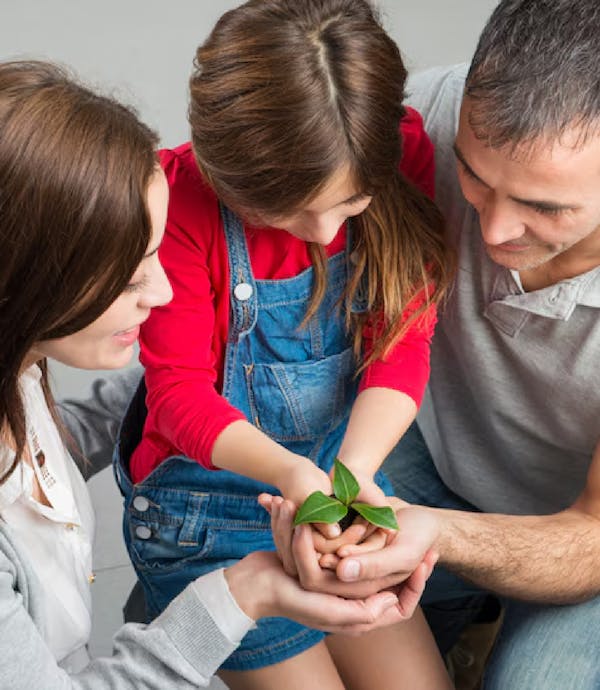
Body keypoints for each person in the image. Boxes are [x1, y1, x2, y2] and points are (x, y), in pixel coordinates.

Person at [0, 59, 436, 690]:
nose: (164, 293)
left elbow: (119, 407)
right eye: (131, 274)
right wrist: (247, 590)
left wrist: (333, 471)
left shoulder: (22, 376)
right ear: (29, 278)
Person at [114, 0, 454, 688]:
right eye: (289, 208)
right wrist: (295, 479)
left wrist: (349, 480)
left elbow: (402, 342)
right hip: (203, 517)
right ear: (223, 166)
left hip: (335, 475)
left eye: (350, 204)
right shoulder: (178, 202)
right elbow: (178, 396)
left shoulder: (395, 149)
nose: (327, 231)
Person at [265, 1, 600, 688]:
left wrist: (440, 536)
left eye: (547, 208)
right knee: (240, 557)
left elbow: (594, 538)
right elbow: (251, 304)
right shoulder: (424, 116)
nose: (497, 231)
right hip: (428, 451)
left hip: (581, 536)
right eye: (474, 176)